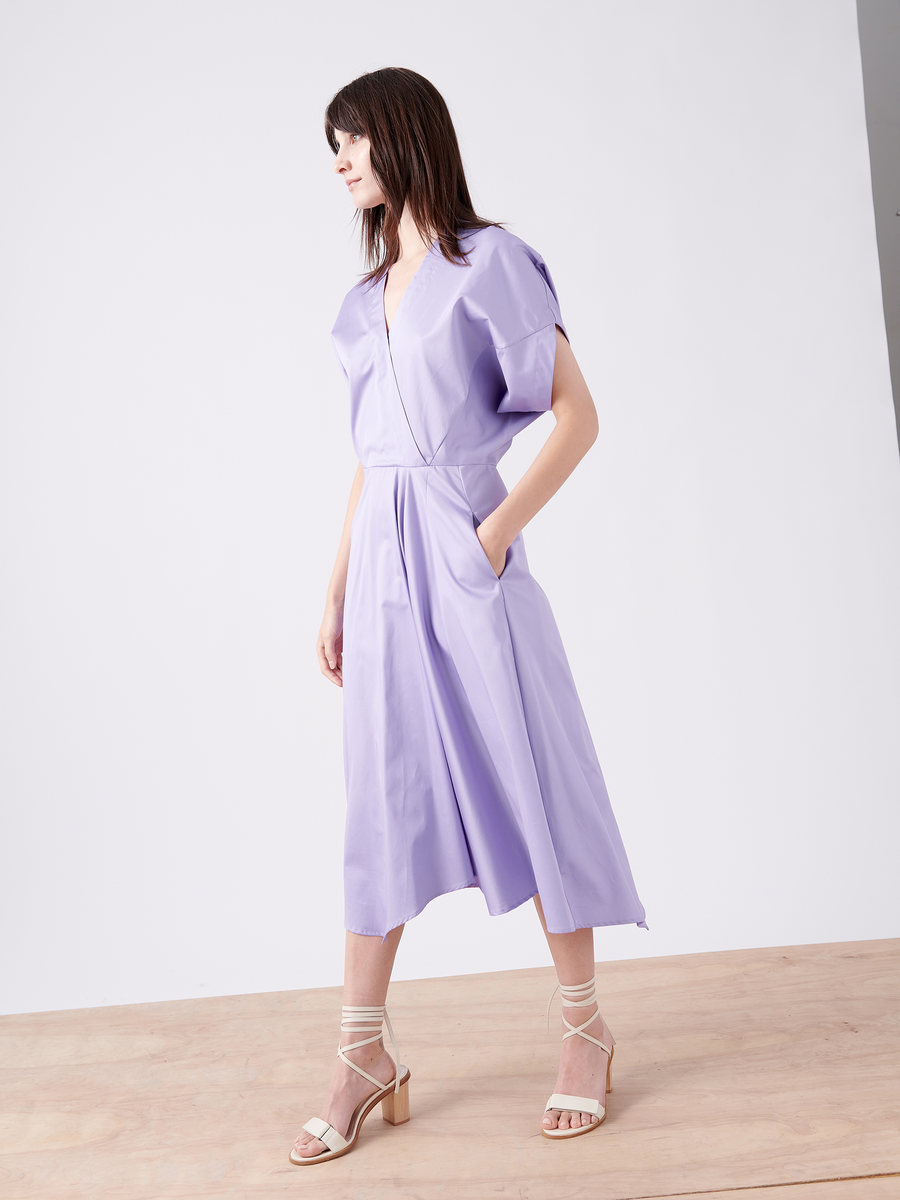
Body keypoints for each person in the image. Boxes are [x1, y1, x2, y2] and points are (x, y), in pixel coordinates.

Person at [291, 67, 647, 1166]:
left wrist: (491, 538)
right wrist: (339, 582)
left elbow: (578, 418)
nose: (341, 162)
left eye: (352, 140)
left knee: (530, 775)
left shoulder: (488, 266)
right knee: (381, 800)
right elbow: (368, 460)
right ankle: (363, 1051)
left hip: (465, 551)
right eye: (333, 148)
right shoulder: (360, 307)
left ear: (404, 138)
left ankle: (586, 1028)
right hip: (385, 567)